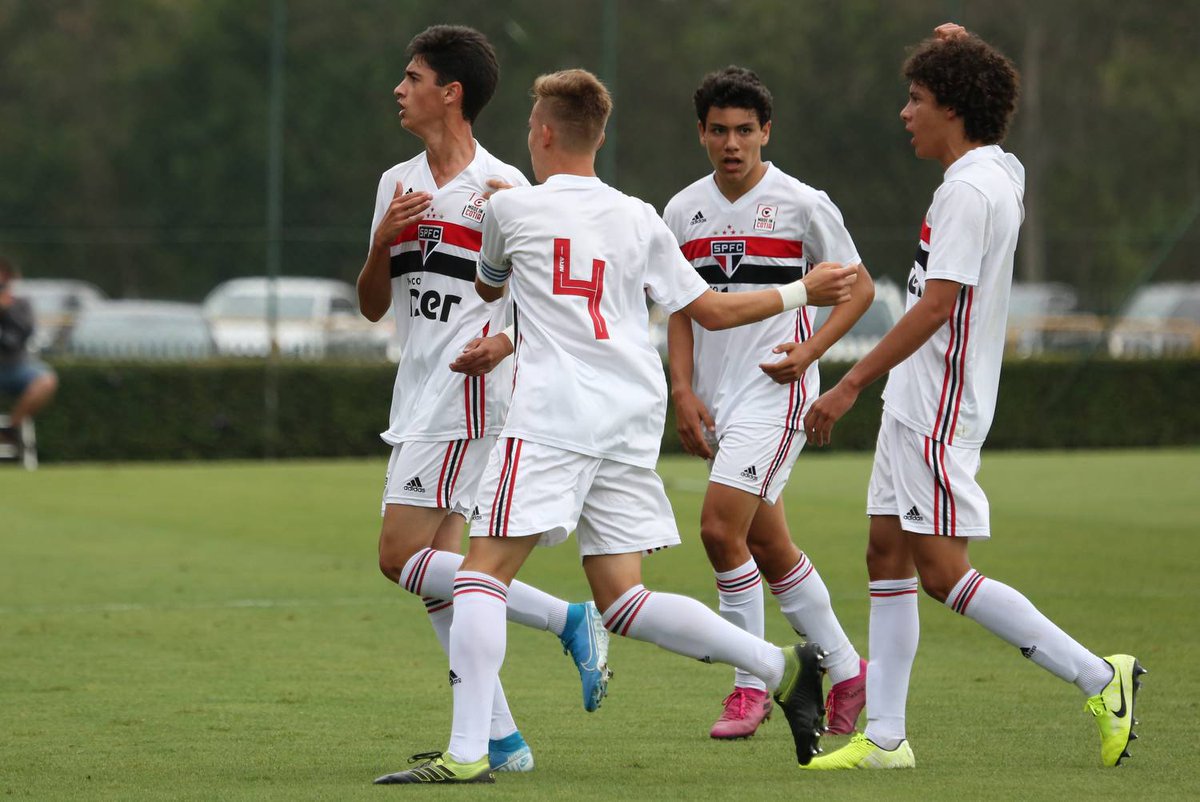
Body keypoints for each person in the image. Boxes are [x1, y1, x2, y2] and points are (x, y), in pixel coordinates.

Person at [373, 68, 861, 785]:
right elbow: (713, 312)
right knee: (623, 598)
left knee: (479, 578)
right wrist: (800, 290)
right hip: (630, 419)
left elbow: (485, 286)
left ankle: (471, 752)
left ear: (541, 134)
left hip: (552, 416)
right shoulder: (640, 216)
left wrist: (509, 218)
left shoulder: (513, 211)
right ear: (600, 137)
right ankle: (777, 662)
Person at [800, 24, 1143, 770]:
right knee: (883, 553)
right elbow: (992, 114)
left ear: (952, 109)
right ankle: (885, 738)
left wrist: (851, 382)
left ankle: (1099, 676)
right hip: (914, 400)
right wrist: (960, 48)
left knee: (941, 572)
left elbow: (934, 306)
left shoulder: (969, 190)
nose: (905, 112)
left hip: (937, 405)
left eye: (916, 98)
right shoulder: (995, 171)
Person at [356, 26, 611, 778]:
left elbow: (541, 303)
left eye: (412, 78)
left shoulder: (506, 189)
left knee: (400, 557)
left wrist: (500, 343)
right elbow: (374, 306)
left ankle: (566, 619)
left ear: (451, 93)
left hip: (470, 399)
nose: (400, 90)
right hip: (420, 390)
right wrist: (381, 244)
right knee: (440, 577)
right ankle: (502, 740)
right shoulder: (396, 183)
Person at [664, 66, 874, 740]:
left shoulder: (802, 203)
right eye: (720, 130)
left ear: (766, 132)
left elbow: (859, 290)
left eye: (745, 130)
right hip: (718, 399)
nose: (733, 143)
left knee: (719, 530)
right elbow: (678, 308)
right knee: (766, 541)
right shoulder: (681, 211)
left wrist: (810, 355)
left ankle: (750, 682)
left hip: (776, 390)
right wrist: (683, 389)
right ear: (701, 133)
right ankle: (846, 669)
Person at [0, 257, 57, 451]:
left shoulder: (21, 306)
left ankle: (11, 429)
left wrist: (6, 311)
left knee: (46, 380)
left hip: (15, 367)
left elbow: (19, 337)